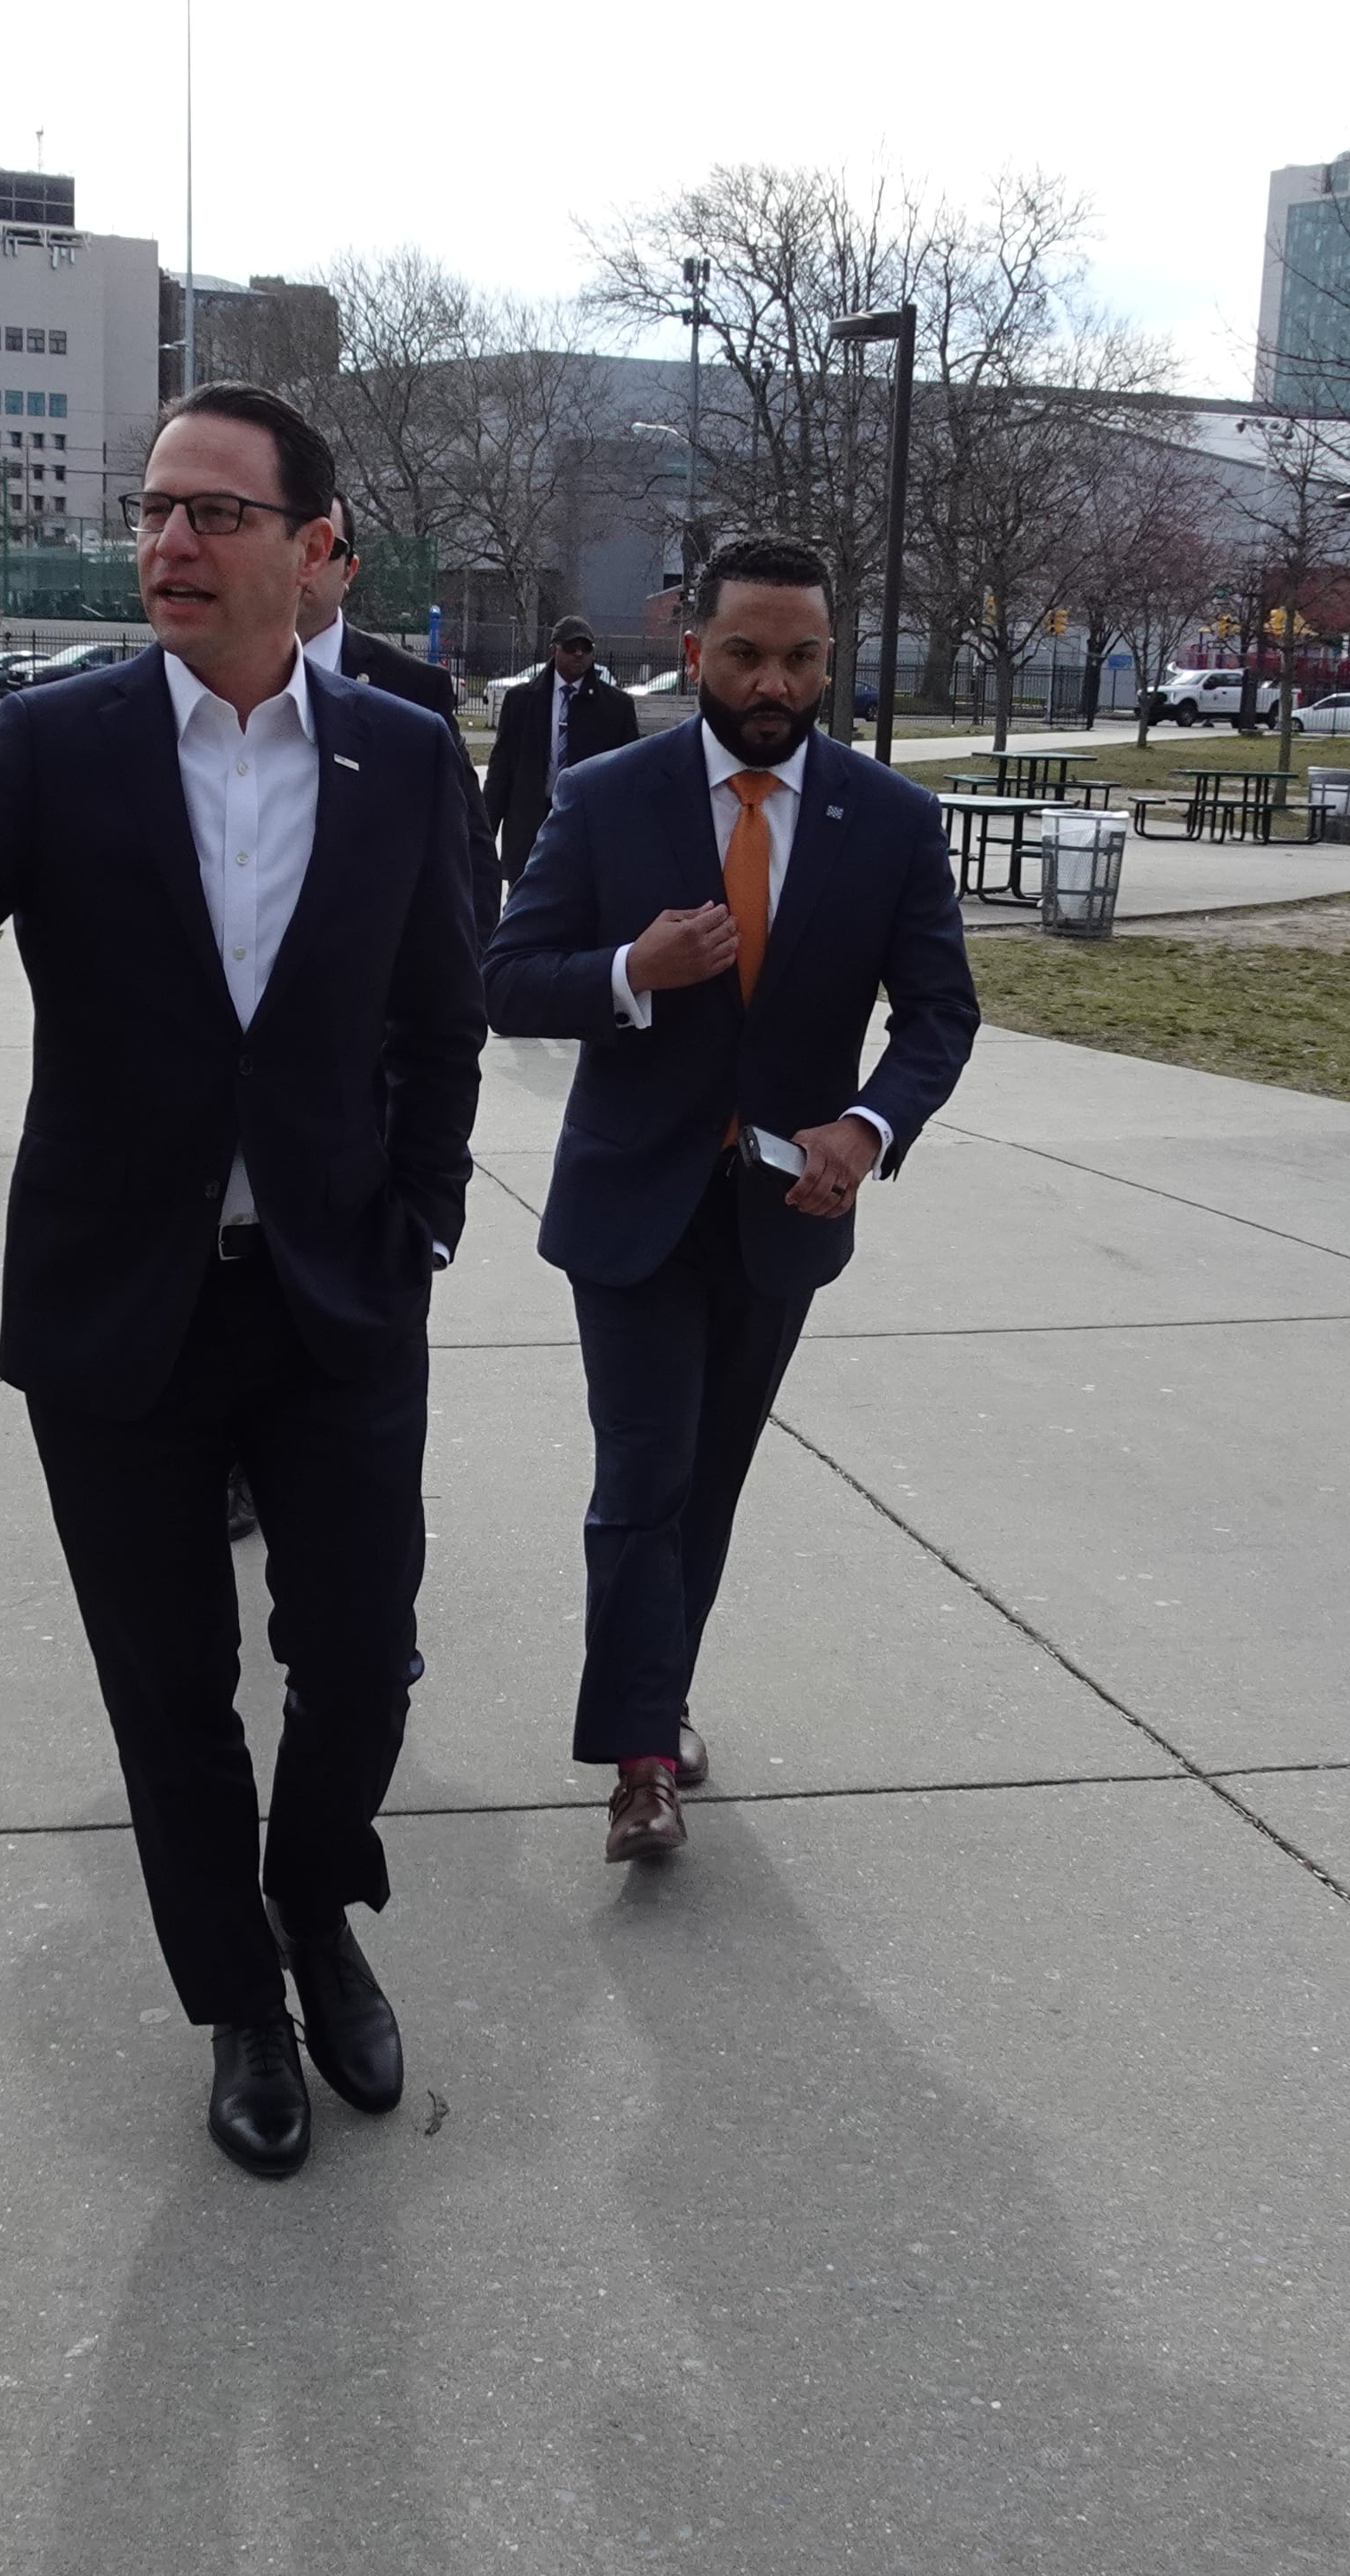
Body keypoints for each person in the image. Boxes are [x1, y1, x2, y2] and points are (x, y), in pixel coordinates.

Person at [0, 383, 483, 2180]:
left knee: (359, 1659)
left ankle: (315, 1903)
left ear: (311, 548)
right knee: (167, 1685)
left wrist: (420, 1224)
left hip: (338, 1294)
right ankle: (240, 2001)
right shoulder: (62, 744)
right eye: (153, 512)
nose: (168, 544)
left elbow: (442, 1016)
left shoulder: (406, 755)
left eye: (213, 515)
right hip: (122, 1304)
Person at [483, 532, 977, 1865]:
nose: (774, 681)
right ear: (693, 649)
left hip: (784, 1216)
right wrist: (631, 968)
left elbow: (939, 1016)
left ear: (830, 661)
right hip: (632, 1202)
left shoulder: (889, 821)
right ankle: (641, 1761)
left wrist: (869, 1130)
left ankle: (660, 1693)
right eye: (747, 652)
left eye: (802, 657)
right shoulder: (606, 795)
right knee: (643, 1471)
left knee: (710, 1477)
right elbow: (507, 976)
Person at [296, 504, 497, 921]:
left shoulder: (413, 690)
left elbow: (469, 847)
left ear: (349, 569)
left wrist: (470, 974)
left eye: (321, 548)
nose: (304, 563)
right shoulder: (211, 677)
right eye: (292, 542)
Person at [482, 614, 638, 898]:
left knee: (575, 904)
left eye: (586, 647)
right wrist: (483, 833)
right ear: (554, 650)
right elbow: (501, 770)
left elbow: (629, 778)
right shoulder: (521, 701)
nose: (579, 653)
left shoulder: (616, 707)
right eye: (570, 646)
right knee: (523, 905)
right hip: (529, 819)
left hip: (585, 826)